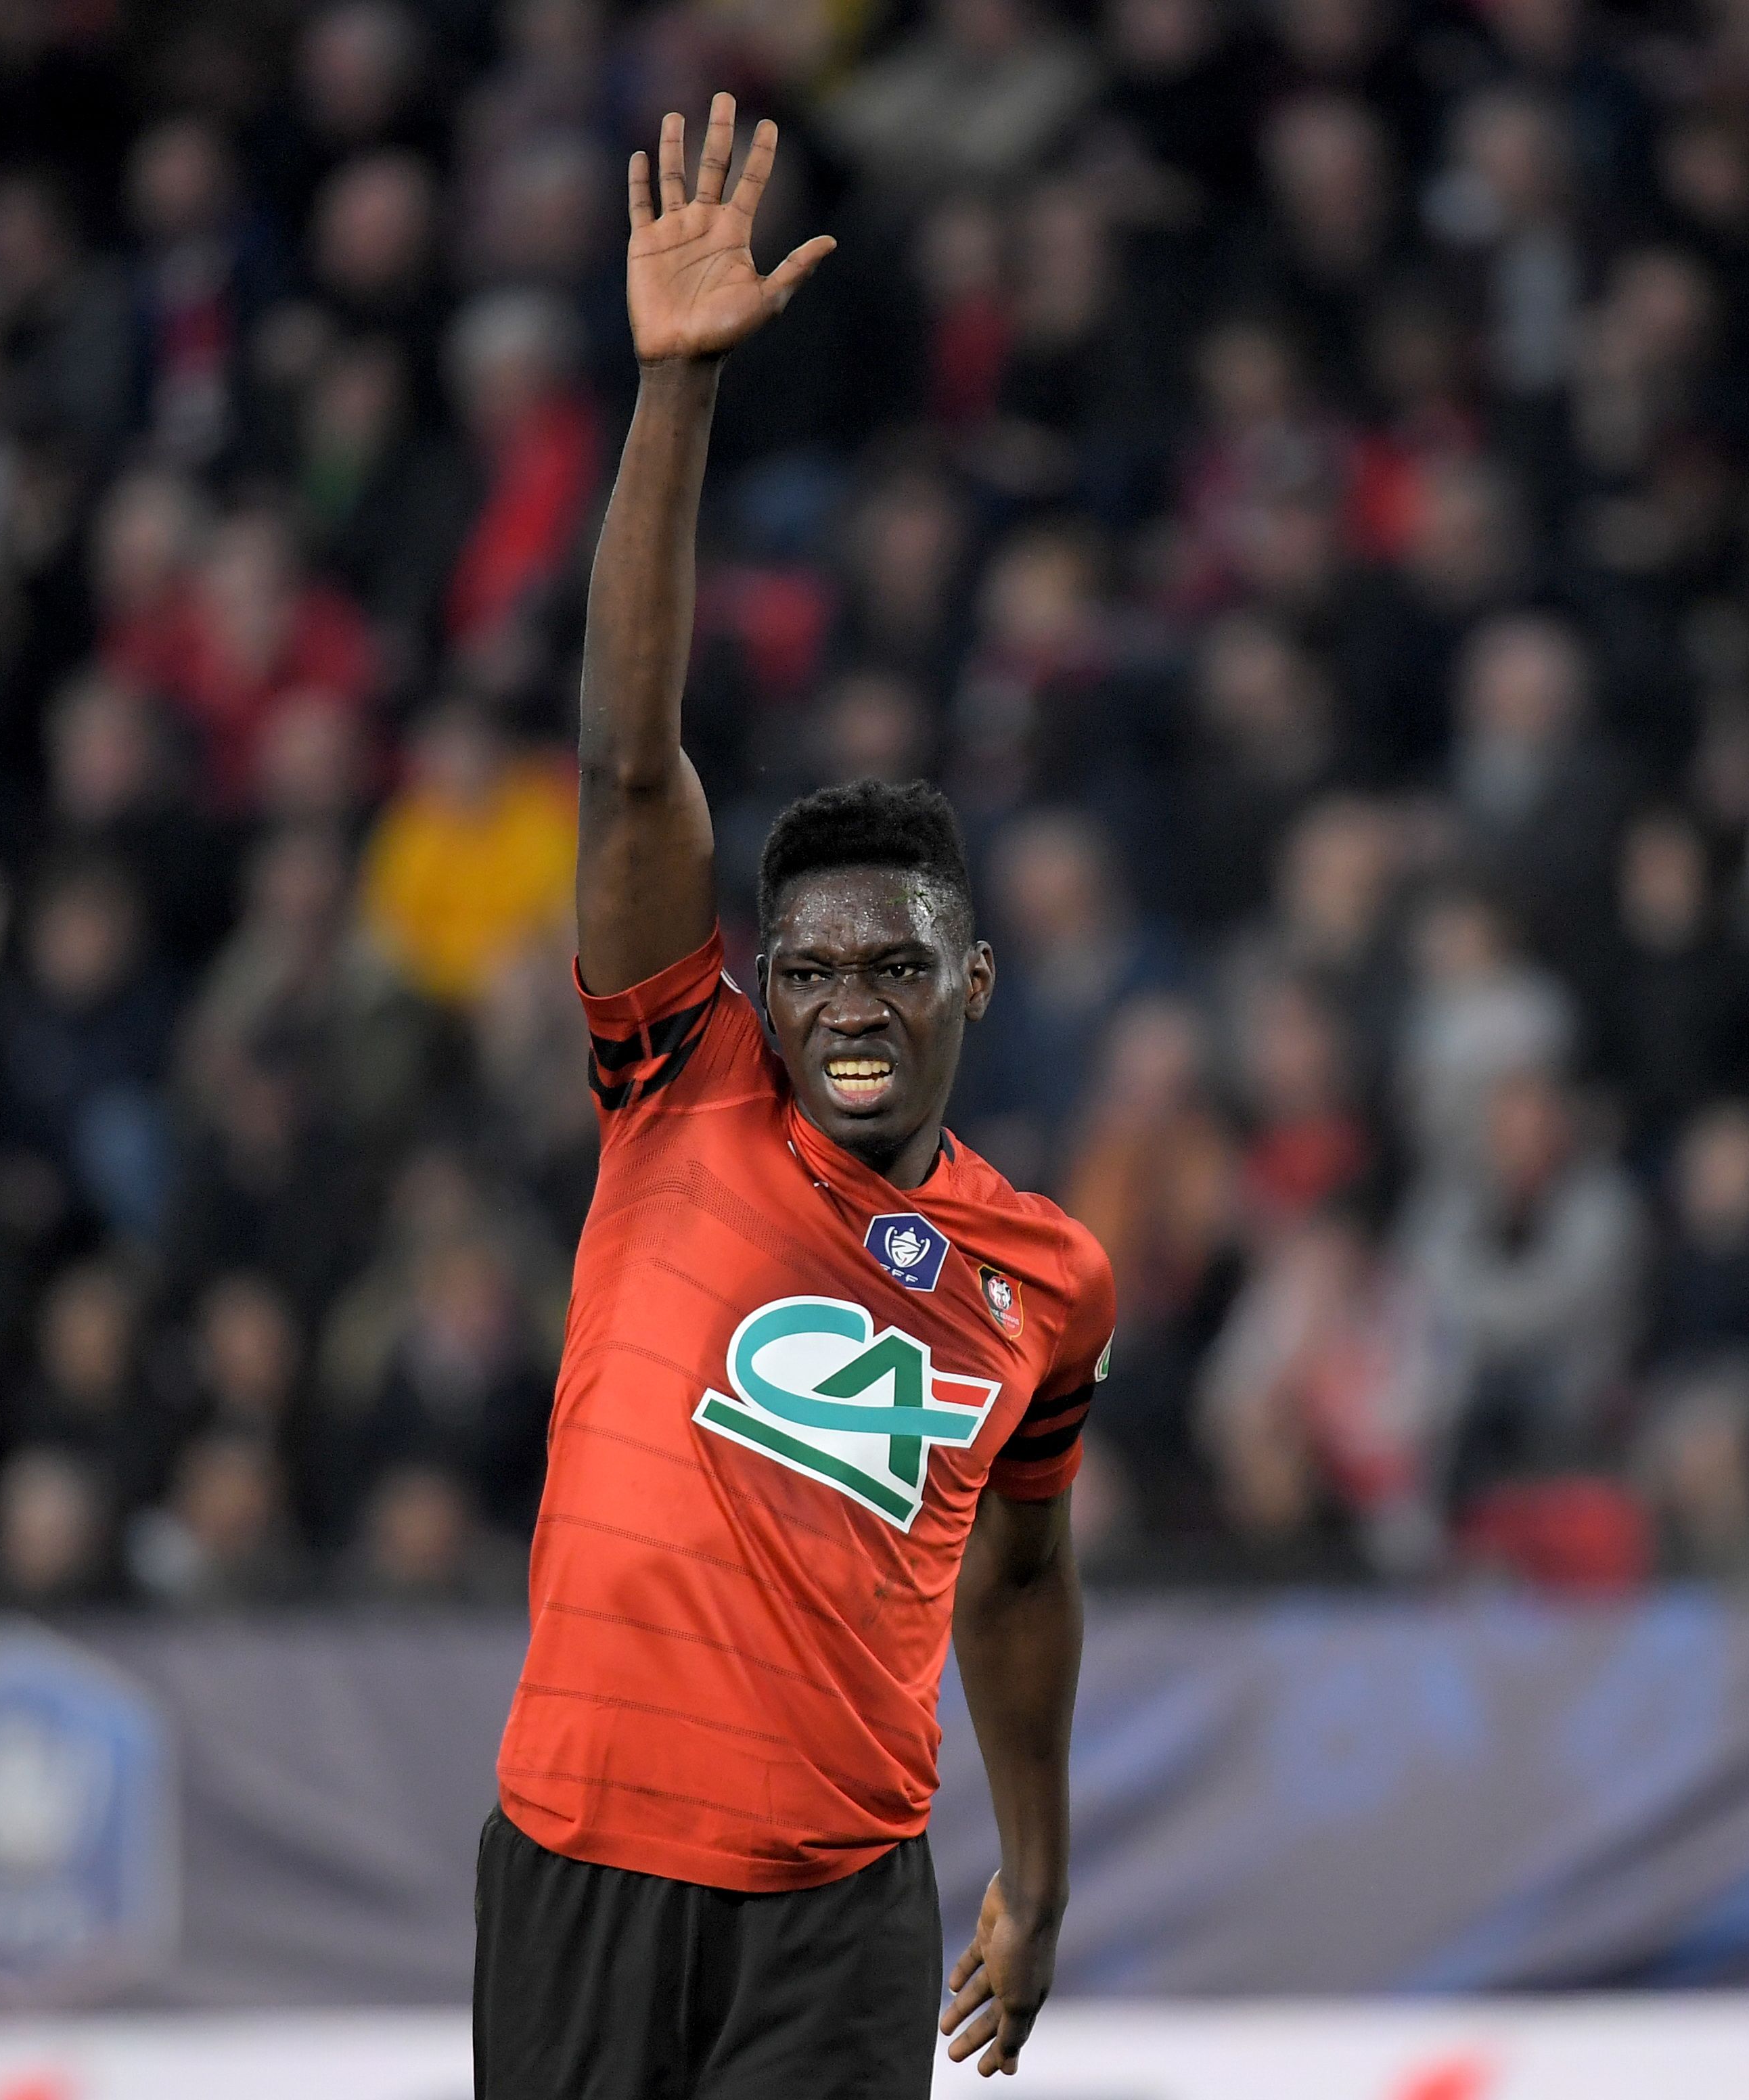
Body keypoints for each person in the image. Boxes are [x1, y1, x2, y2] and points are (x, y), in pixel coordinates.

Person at [476, 98, 1114, 2099]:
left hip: (843, 1909)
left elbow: (1022, 1583)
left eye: (895, 967)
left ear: (972, 991)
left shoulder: (1049, 1282)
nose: (848, 1002)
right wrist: (672, 398)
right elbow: (626, 754)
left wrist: (1039, 1863)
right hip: (579, 1862)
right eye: (812, 964)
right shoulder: (680, 1080)